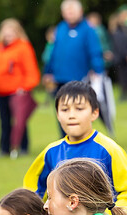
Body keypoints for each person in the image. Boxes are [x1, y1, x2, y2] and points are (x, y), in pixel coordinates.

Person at [23, 81, 127, 215]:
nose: (71, 115)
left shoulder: (109, 150)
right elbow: (32, 193)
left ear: (94, 113)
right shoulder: (50, 152)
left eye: (79, 109)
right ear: (57, 114)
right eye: (64, 109)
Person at [43, 0, 105, 136]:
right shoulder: (60, 28)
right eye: (67, 11)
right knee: (63, 111)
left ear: (80, 11)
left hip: (80, 80)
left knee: (80, 112)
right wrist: (48, 71)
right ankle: (65, 141)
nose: (70, 14)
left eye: (72, 11)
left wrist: (98, 70)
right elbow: (54, 52)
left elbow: (95, 52)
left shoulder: (88, 29)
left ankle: (82, 140)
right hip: (60, 79)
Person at [0, 18, 40, 158]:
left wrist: (26, 86)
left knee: (20, 121)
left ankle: (23, 147)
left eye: (11, 32)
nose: (7, 36)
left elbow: (31, 69)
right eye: (5, 32)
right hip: (1, 91)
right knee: (4, 121)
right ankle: (4, 148)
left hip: (17, 91)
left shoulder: (23, 47)